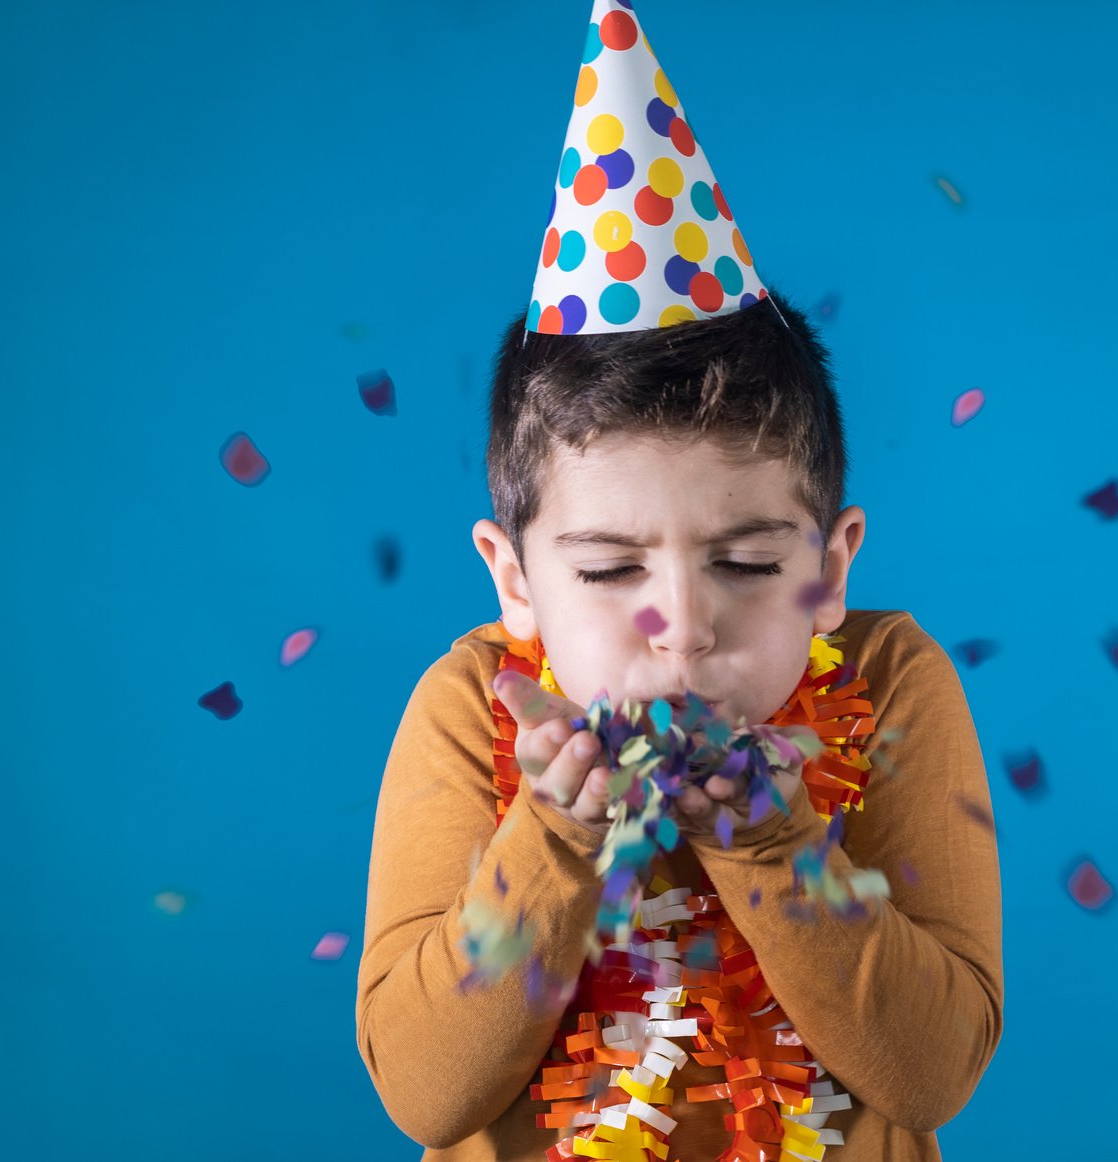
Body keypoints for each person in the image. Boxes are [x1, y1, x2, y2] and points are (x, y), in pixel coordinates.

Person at [357, 3, 1002, 1159]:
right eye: (608, 569)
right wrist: (551, 835)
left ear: (832, 565)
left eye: (748, 564)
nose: (684, 627)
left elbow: (935, 1066)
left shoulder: (895, 685)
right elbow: (422, 1090)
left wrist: (775, 845)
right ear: (514, 581)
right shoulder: (470, 706)